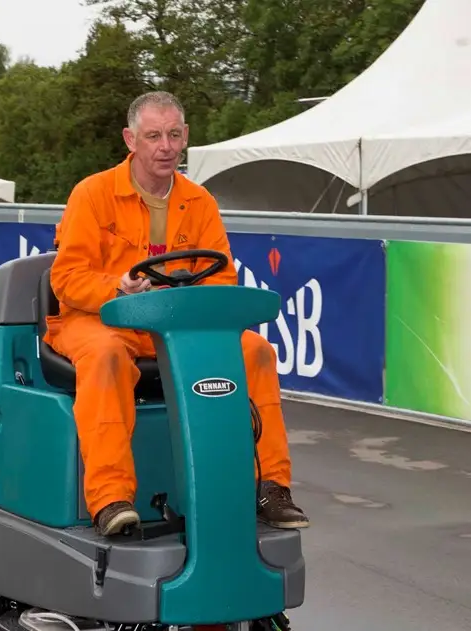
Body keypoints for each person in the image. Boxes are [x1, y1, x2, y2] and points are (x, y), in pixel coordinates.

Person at [44, 91, 310, 536]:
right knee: (107, 356)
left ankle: (270, 486)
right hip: (99, 321)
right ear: (131, 140)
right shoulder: (92, 195)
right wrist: (116, 288)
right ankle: (110, 498)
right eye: (153, 136)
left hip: (174, 326)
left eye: (173, 135)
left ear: (185, 136)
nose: (165, 146)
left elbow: (221, 278)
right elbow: (66, 278)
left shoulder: (199, 202)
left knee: (256, 351)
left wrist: (188, 306)